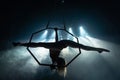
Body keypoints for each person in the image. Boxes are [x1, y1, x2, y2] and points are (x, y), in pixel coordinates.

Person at [12, 40, 110, 69]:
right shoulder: (54, 57)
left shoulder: (53, 58)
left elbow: (36, 44)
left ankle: (20, 44)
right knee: (83, 47)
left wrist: (53, 66)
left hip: (59, 45)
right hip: (62, 44)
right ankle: (98, 50)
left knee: (38, 44)